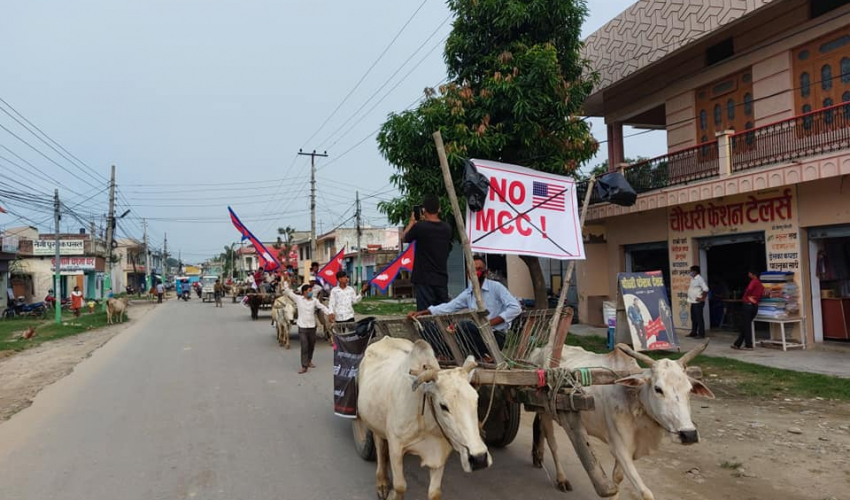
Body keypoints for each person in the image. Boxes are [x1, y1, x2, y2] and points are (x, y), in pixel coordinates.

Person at [407, 256, 521, 361]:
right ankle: (448, 356)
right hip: (477, 335)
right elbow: (448, 307)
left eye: (479, 269)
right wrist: (420, 313)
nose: (476, 273)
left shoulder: (496, 287)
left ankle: (487, 356)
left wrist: (489, 323)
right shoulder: (468, 293)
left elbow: (515, 308)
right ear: (468, 273)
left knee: (464, 326)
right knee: (429, 329)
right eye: (473, 270)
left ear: (485, 273)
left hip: (495, 337)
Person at [403, 194, 452, 311]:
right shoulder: (447, 228)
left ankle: (428, 330)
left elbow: (404, 238)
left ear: (424, 210)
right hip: (441, 278)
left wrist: (411, 222)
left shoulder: (419, 227)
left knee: (425, 315)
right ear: (439, 209)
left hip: (424, 279)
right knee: (443, 313)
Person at [282, 278, 332, 374]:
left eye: (311, 291)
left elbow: (322, 307)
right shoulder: (298, 299)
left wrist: (330, 313)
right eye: (309, 291)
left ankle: (309, 361)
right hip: (302, 327)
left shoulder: (315, 301)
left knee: (311, 345)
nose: (311, 293)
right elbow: (288, 291)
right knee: (304, 345)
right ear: (304, 292)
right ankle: (304, 366)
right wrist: (286, 280)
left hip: (312, 326)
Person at [732, 270, 764, 350]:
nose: (748, 274)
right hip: (754, 306)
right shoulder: (760, 284)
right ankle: (737, 344)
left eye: (749, 273)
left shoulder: (754, 281)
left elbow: (749, 289)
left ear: (753, 274)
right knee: (745, 325)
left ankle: (748, 344)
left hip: (748, 305)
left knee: (746, 326)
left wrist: (748, 296)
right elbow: (760, 294)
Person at [687, 265, 709, 339]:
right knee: (693, 318)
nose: (690, 272)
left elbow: (706, 289)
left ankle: (701, 334)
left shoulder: (700, 279)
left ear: (695, 271)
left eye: (691, 271)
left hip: (698, 303)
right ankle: (694, 332)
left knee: (699, 318)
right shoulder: (693, 279)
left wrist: (702, 298)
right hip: (693, 302)